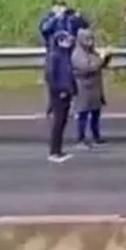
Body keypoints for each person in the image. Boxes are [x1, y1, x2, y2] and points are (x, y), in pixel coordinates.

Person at [71, 28, 112, 148]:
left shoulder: (92, 52)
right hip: (83, 88)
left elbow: (100, 65)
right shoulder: (77, 54)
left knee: (95, 114)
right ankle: (80, 139)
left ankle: (96, 137)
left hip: (95, 88)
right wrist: (101, 59)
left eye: (91, 39)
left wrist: (107, 57)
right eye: (87, 39)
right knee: (82, 115)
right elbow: (88, 68)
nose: (90, 42)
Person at [45, 31, 77, 163]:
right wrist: (59, 91)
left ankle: (58, 150)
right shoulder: (54, 56)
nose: (69, 42)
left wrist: (73, 90)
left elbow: (69, 75)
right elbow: (50, 77)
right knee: (58, 123)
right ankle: (54, 152)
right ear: (59, 41)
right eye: (66, 40)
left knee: (63, 122)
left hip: (66, 92)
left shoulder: (65, 55)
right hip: (58, 94)